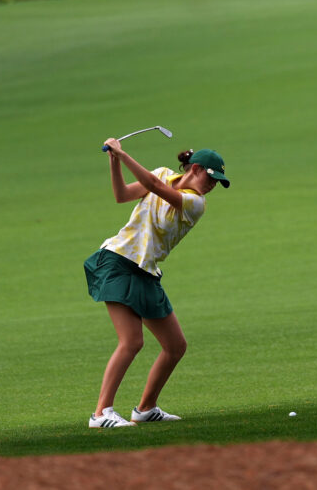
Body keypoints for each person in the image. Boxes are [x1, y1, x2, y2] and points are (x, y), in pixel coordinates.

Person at [84, 139, 229, 428]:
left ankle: (146, 409)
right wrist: (115, 162)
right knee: (132, 341)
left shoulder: (196, 203)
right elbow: (122, 195)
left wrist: (123, 153)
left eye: (218, 182)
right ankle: (100, 413)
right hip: (118, 261)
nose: (213, 185)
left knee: (175, 346)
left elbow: (152, 185)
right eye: (211, 178)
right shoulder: (163, 173)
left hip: (145, 271)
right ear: (195, 169)